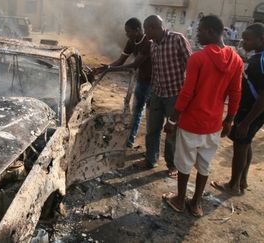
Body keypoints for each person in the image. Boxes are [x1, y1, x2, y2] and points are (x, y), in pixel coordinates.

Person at [162, 15, 243, 217]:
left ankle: (180, 200)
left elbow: (187, 93)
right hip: (214, 124)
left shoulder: (198, 58)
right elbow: (235, 93)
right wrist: (229, 120)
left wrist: (172, 119)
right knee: (204, 165)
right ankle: (196, 204)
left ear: (210, 31)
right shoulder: (236, 60)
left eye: (199, 31)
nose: (197, 35)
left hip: (191, 123)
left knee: (184, 163)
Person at [211, 23, 264, 196]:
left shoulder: (260, 61)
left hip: (252, 110)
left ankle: (233, 184)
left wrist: (246, 122)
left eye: (248, 39)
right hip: (251, 109)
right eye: (243, 38)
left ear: (261, 40)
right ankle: (243, 180)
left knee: (240, 144)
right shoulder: (257, 57)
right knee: (246, 143)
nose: (243, 43)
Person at [135, 15, 192, 178]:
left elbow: (191, 65)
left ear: (153, 27)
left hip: (175, 95)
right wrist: (151, 95)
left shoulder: (177, 39)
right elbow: (156, 72)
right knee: (152, 129)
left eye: (146, 29)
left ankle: (172, 164)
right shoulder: (153, 45)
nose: (145, 33)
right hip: (157, 94)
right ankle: (150, 159)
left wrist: (187, 94)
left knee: (172, 132)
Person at [94, 17, 152, 148]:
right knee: (136, 112)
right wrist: (106, 69)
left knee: (151, 118)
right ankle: (129, 141)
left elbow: (134, 65)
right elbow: (121, 60)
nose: (127, 34)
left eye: (128, 31)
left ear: (137, 30)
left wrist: (111, 69)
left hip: (154, 83)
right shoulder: (131, 42)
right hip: (141, 80)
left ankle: (149, 149)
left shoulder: (148, 42)